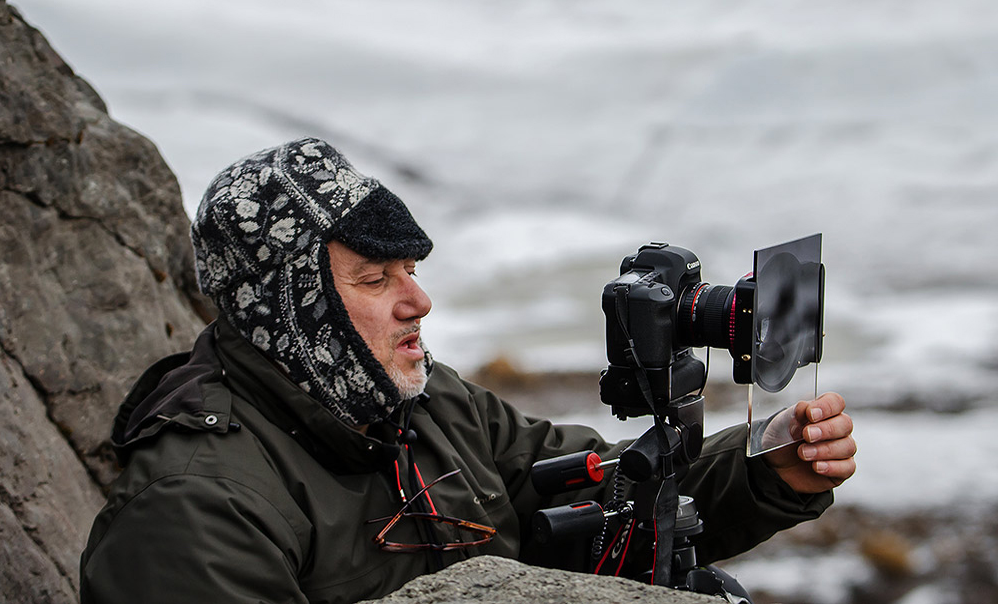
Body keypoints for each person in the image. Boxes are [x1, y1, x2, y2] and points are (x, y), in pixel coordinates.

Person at [79, 138, 856, 604]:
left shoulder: (424, 400)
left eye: (410, 269)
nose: (420, 300)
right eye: (376, 278)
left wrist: (768, 467)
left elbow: (608, 492)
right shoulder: (194, 505)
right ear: (290, 306)